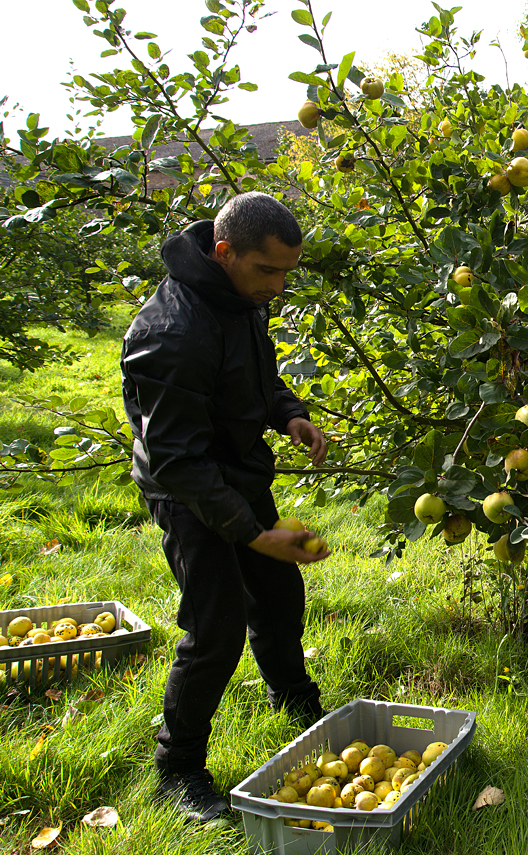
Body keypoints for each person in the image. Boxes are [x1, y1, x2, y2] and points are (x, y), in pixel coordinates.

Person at [121, 192, 330, 822]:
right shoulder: (173, 332)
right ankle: (177, 768)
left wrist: (288, 412)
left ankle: (296, 704)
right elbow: (177, 460)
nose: (279, 286)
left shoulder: (241, 297)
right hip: (187, 491)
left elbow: (256, 376)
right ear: (224, 252)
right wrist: (250, 533)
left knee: (278, 597)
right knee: (214, 631)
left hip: (237, 475)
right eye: (269, 270)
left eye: (288, 272)